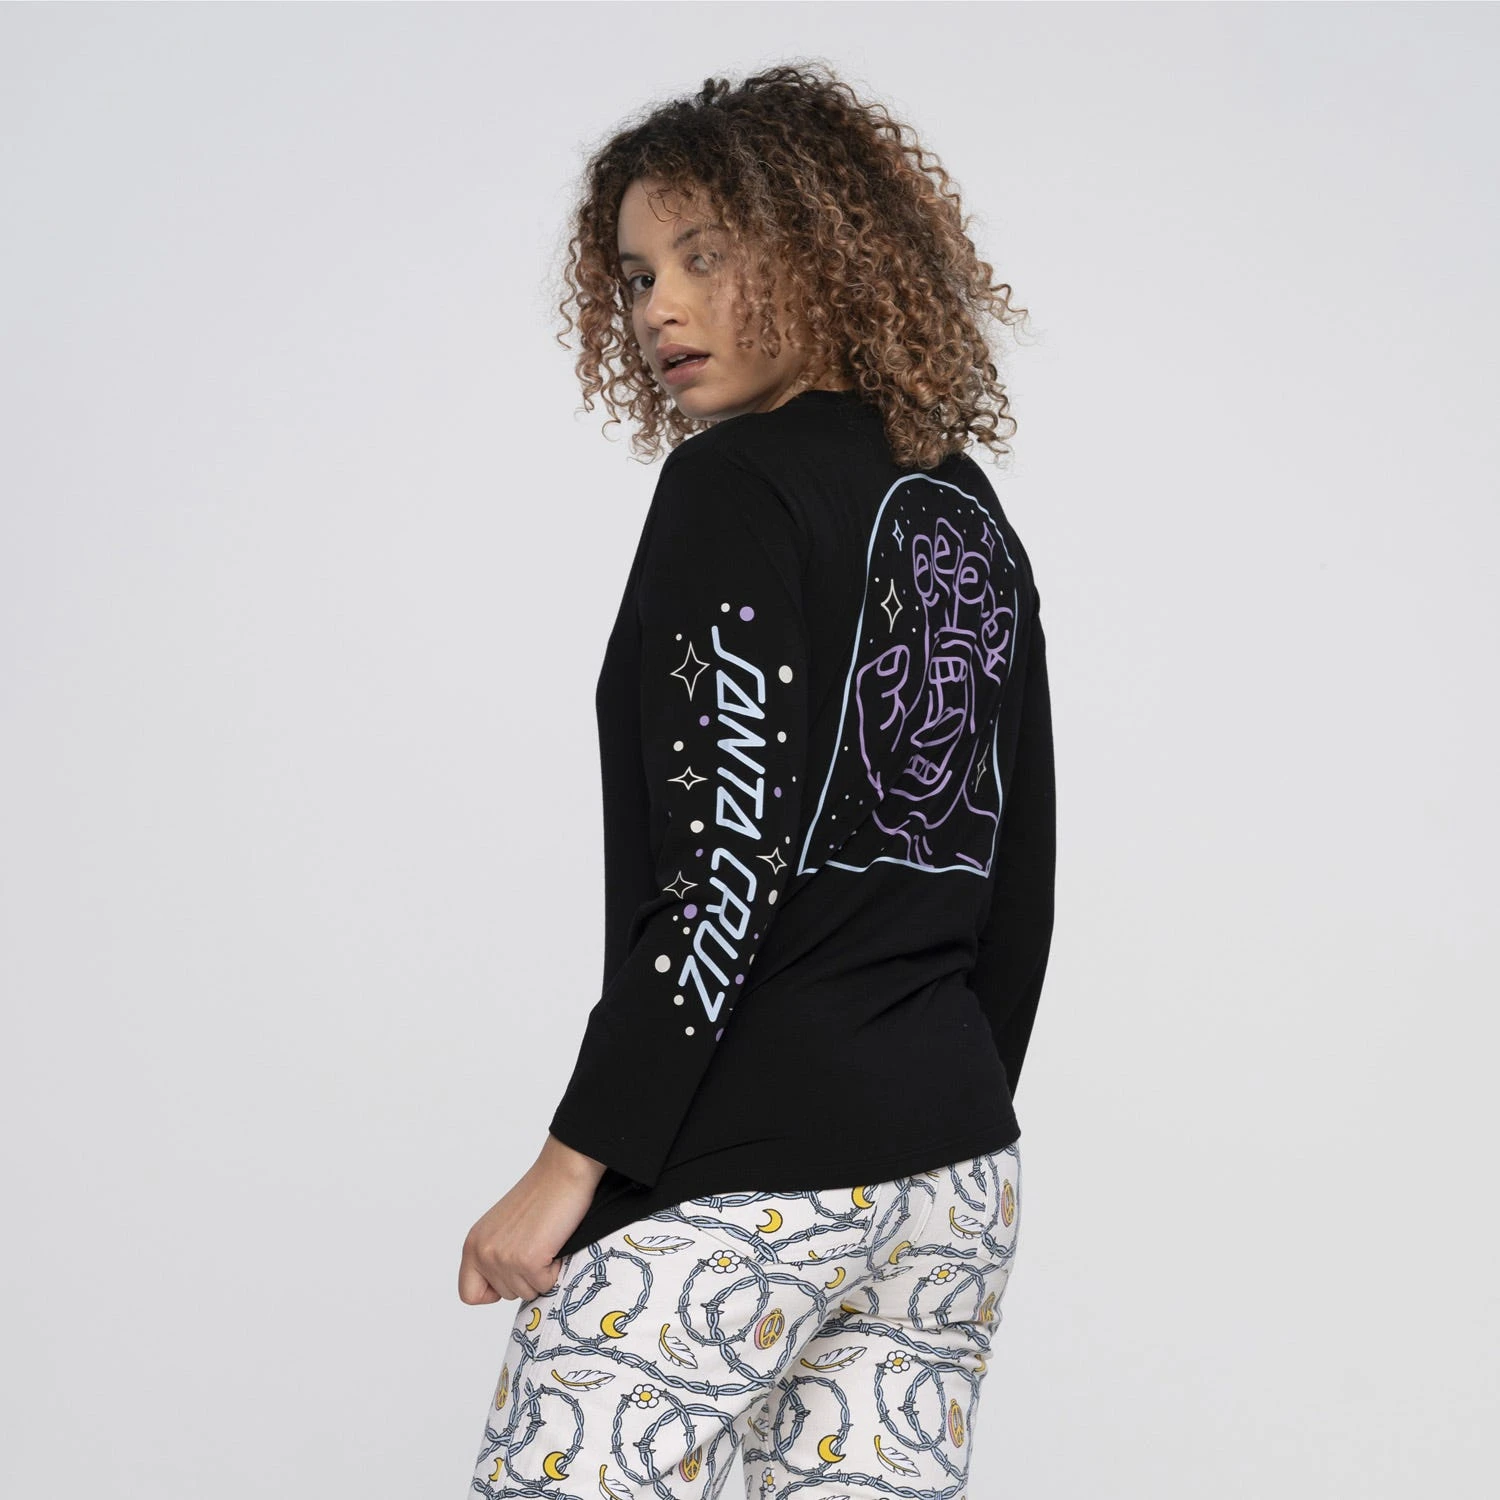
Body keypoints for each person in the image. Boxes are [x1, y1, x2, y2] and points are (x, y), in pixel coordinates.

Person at [458, 61, 1055, 1500]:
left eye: (706, 257)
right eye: (637, 274)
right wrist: (928, 1104)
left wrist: (573, 1163)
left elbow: (722, 862)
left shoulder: (734, 487)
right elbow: (1015, 876)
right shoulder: (966, 504)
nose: (660, 306)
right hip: (952, 1183)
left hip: (752, 1171)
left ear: (822, 251)